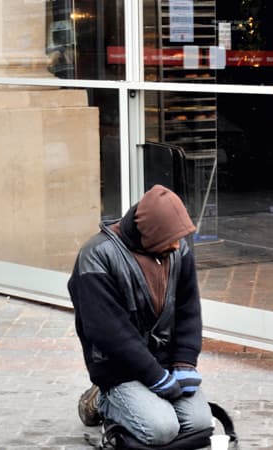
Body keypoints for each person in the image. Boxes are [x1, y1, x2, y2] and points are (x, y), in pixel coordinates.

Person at [69, 184, 212, 446]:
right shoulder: (97, 256)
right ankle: (103, 400)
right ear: (151, 235)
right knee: (162, 430)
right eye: (171, 239)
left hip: (166, 364)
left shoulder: (176, 249)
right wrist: (155, 378)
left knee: (200, 424)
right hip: (119, 368)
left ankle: (140, 403)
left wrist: (184, 364)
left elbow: (188, 310)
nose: (178, 244)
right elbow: (110, 333)